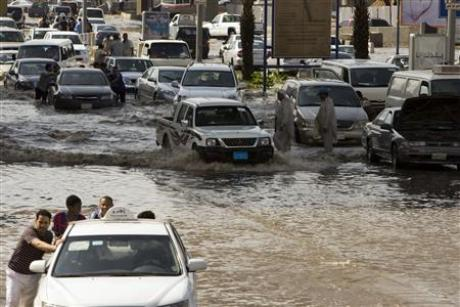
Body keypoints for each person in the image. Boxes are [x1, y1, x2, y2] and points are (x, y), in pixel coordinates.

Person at [6, 210, 62, 307]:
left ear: (49, 224)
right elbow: (38, 244)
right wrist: (56, 248)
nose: (42, 225)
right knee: (12, 303)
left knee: (28, 305)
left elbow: (47, 249)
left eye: (45, 223)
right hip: (15, 274)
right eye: (40, 222)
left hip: (33, 275)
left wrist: (57, 243)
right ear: (35, 221)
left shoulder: (48, 235)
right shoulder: (29, 231)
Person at [315, 87, 337, 153]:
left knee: (328, 143)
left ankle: (329, 156)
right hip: (324, 126)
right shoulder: (323, 102)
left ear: (324, 94)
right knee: (326, 143)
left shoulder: (329, 102)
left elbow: (328, 114)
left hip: (328, 126)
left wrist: (325, 125)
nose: (319, 97)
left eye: (320, 95)